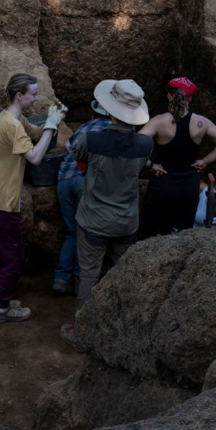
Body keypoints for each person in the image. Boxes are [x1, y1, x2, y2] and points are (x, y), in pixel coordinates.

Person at [0, 73, 66, 323]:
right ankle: (3, 309)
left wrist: (51, 124)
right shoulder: (12, 125)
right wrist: (51, 125)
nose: (36, 98)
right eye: (34, 94)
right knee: (15, 257)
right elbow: (36, 158)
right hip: (1, 200)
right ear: (19, 95)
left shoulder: (14, 117)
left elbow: (36, 135)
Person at [72, 79, 154, 310]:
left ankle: (82, 329)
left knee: (89, 274)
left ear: (110, 109)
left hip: (93, 219)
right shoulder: (145, 144)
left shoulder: (92, 140)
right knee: (123, 274)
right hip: (126, 221)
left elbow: (78, 156)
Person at [137, 77, 216, 239]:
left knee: (149, 232)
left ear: (169, 96)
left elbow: (136, 146)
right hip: (188, 186)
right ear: (190, 99)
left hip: (162, 184)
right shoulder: (201, 123)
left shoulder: (159, 121)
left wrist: (151, 165)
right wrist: (205, 161)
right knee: (182, 235)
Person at [52, 100, 112, 294]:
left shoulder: (84, 127)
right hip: (83, 180)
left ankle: (61, 279)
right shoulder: (111, 128)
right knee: (85, 233)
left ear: (93, 113)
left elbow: (70, 145)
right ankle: (81, 282)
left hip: (63, 180)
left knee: (72, 231)